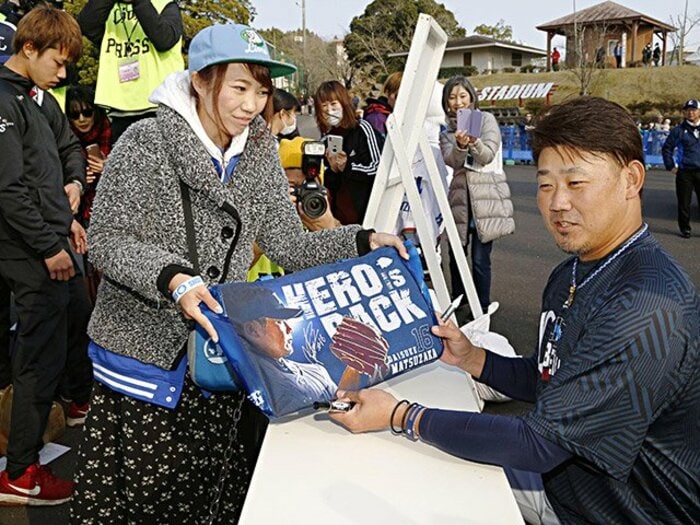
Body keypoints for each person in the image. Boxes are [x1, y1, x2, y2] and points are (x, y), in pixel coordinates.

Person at [70, 23, 406, 523]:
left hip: (219, 355)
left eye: (262, 90)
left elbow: (289, 243)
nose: (252, 104)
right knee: (144, 500)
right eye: (240, 87)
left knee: (214, 495)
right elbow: (108, 241)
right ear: (201, 81)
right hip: (146, 358)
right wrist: (174, 278)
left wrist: (361, 240)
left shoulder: (257, 151)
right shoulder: (146, 140)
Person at [331, 96, 699, 525]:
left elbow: (538, 443)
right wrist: (473, 359)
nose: (557, 202)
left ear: (631, 179)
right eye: (545, 184)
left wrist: (402, 415)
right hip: (566, 490)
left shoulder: (648, 304)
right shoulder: (573, 271)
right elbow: (552, 377)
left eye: (576, 183)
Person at [0, 5, 83, 505]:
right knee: (37, 357)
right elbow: (8, 190)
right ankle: (20, 473)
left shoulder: (41, 97)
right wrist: (50, 244)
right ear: (28, 48)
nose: (64, 71)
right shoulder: (4, 102)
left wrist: (72, 190)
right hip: (28, 248)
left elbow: (69, 147)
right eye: (58, 59)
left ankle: (75, 402)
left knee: (75, 317)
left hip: (55, 238)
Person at [441, 75, 514, 313]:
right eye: (452, 97)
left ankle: (481, 305)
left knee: (481, 259)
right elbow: (451, 160)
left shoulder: (486, 120)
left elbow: (488, 155)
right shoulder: (446, 131)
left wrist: (473, 141)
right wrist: (460, 145)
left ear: (472, 97)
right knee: (456, 255)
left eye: (462, 96)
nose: (458, 102)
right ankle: (459, 300)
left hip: (486, 199)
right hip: (460, 199)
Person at [77, 0, 184, 145]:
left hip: (160, 107)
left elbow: (164, 39)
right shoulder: (109, 9)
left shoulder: (166, 5)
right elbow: (85, 25)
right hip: (122, 108)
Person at [221, 286, 339, 416]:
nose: (289, 329)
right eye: (280, 322)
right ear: (252, 330)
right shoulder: (249, 374)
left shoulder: (317, 371)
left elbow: (341, 406)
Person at [315, 80, 383, 225]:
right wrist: (333, 170)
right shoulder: (326, 140)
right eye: (324, 106)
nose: (329, 110)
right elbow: (329, 184)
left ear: (344, 103)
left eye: (333, 104)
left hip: (367, 216)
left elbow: (377, 168)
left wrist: (348, 166)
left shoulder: (363, 129)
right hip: (339, 219)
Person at [662, 98, 700, 239]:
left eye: (693, 110)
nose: (690, 113)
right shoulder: (679, 131)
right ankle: (685, 228)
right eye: (687, 110)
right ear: (684, 113)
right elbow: (667, 148)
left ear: (699, 112)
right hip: (685, 172)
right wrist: (670, 166)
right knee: (684, 202)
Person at [362, 71, 401, 138]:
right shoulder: (377, 118)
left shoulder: (396, 115)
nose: (400, 100)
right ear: (387, 91)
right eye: (397, 96)